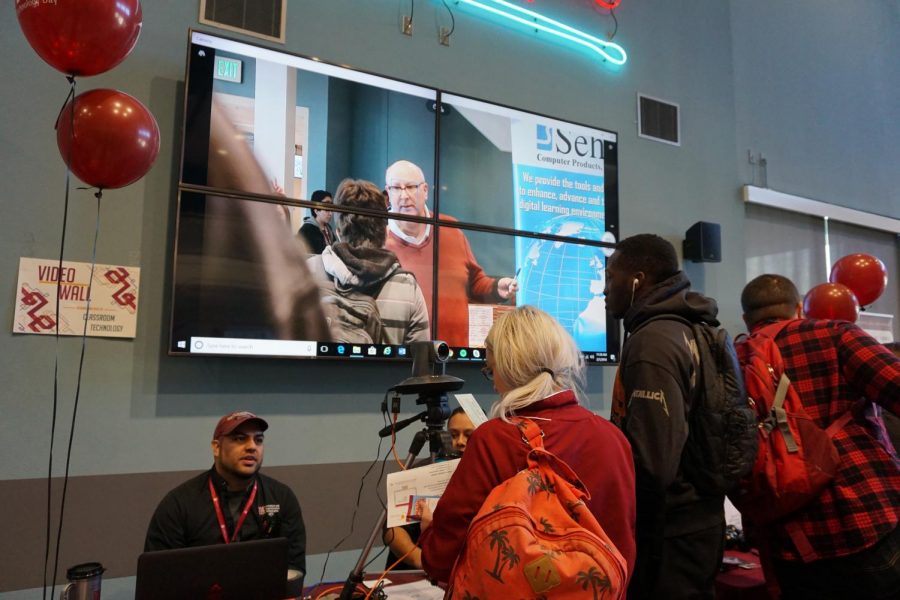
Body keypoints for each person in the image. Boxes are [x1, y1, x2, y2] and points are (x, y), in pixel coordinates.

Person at [417, 305, 637, 585]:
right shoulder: (613, 439)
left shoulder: (493, 439)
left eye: (491, 369)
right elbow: (623, 544)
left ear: (509, 368)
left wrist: (429, 532)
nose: (494, 382)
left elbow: (444, 559)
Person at [739, 274, 900, 599]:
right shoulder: (834, 334)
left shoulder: (731, 360)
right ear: (799, 308)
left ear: (747, 318)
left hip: (786, 539)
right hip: (864, 518)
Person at [604, 233, 725, 599]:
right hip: (701, 519)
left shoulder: (653, 340)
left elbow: (653, 463)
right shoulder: (691, 325)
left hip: (670, 533)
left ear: (637, 279)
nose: (604, 289)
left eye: (610, 277)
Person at [144, 411, 306, 574]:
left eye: (258, 440)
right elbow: (159, 578)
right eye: (239, 439)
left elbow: (293, 568)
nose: (251, 446)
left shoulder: (282, 497)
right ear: (216, 447)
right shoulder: (178, 505)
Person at [384, 160, 518, 347]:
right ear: (388, 192)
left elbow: (475, 284)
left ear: (425, 190)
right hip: (399, 359)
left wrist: (497, 288)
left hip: (454, 356)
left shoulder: (450, 229)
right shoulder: (379, 240)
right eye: (396, 188)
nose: (404, 195)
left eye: (410, 187)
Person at [307, 178, 430, 344]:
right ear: (385, 233)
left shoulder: (307, 273)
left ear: (338, 231)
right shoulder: (407, 288)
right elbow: (418, 364)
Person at [382, 408, 476, 570]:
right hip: (417, 573)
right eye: (453, 435)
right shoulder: (424, 471)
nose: (460, 441)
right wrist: (421, 561)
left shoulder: (490, 475)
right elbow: (391, 529)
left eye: (469, 435)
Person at [298, 190, 336, 254]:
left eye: (331, 208)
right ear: (316, 210)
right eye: (327, 209)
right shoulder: (306, 230)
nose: (330, 213)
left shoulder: (328, 228)